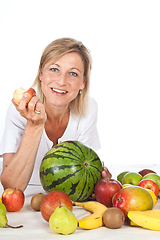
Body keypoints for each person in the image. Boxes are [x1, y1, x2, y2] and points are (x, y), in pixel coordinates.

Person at [0, 37, 111, 191]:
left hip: (68, 202)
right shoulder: (19, 111)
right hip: (26, 203)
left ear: (83, 83)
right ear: (41, 73)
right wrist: (34, 125)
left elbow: (84, 181)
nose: (61, 81)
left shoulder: (89, 109)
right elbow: (11, 187)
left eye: (73, 73)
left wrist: (99, 184)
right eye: (54, 69)